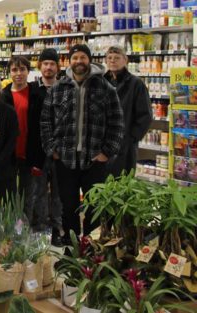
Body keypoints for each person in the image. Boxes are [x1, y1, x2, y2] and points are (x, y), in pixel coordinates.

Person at [41, 44, 124, 239]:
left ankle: (90, 253)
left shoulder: (105, 88)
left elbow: (117, 122)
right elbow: (45, 121)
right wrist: (52, 149)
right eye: (75, 58)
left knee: (94, 208)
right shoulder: (58, 88)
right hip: (65, 160)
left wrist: (107, 152)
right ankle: (71, 251)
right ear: (69, 62)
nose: (79, 61)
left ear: (89, 60)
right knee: (68, 208)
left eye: (83, 57)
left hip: (94, 159)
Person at [0, 56, 46, 224]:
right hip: (9, 154)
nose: (18, 73)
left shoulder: (37, 94)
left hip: (30, 153)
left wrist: (40, 158)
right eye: (14, 70)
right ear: (10, 72)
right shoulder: (3, 96)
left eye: (22, 69)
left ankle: (25, 231)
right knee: (10, 195)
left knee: (28, 195)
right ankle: (11, 230)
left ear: (28, 71)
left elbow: (42, 127)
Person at [104, 46, 153, 177]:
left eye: (117, 58)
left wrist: (130, 139)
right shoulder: (101, 82)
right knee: (101, 187)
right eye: (109, 58)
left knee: (121, 185)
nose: (112, 61)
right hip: (103, 146)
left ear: (125, 60)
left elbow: (145, 116)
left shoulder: (136, 84)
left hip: (125, 147)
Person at [33, 49, 65, 243]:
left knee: (59, 193)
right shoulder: (33, 90)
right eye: (45, 63)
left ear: (57, 67)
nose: (48, 67)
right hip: (38, 150)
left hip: (60, 152)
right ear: (40, 66)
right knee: (39, 192)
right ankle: (41, 228)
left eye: (52, 64)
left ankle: (58, 229)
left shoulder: (65, 89)